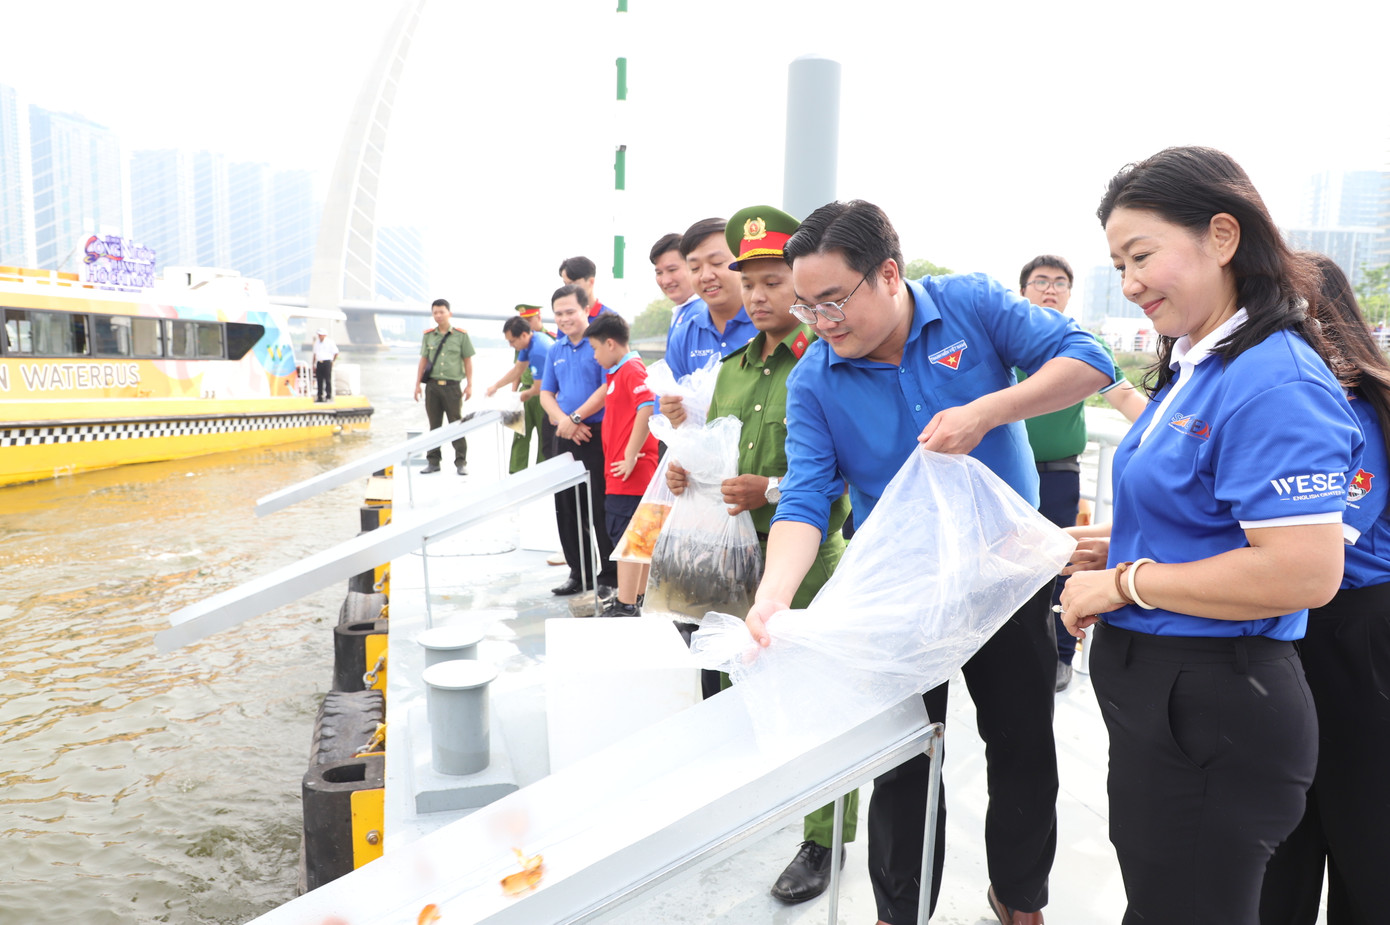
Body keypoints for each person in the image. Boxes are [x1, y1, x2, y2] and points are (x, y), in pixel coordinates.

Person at [743, 199, 1114, 925]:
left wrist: (989, 411)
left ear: (887, 273)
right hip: (906, 591)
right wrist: (774, 595)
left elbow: (1090, 361)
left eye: (832, 300)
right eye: (807, 306)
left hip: (1007, 575)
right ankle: (897, 910)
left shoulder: (969, 305)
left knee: (1022, 747)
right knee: (907, 762)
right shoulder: (815, 379)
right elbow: (807, 499)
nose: (822, 321)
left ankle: (1018, 899)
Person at [1058, 147, 1362, 925]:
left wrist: (1124, 581)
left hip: (1218, 700)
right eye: (1118, 263)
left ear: (1222, 237)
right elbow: (1206, 512)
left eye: (1142, 255)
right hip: (1168, 698)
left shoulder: (1275, 378)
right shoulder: (1201, 364)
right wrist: (1114, 544)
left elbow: (1302, 572)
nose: (1128, 283)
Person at [667, 205, 859, 904]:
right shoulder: (730, 370)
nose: (757, 296)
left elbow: (843, 476)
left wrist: (771, 486)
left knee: (817, 705)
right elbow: (718, 450)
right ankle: (757, 799)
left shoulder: (828, 362)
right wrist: (689, 470)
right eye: (749, 283)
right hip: (739, 561)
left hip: (808, 566)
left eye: (772, 281)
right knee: (750, 688)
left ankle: (824, 837)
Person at [1259, 254, 1390, 925]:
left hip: (1357, 633)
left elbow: (1322, 546)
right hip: (1298, 623)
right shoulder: (1294, 399)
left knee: (1364, 827)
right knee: (1287, 823)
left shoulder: (1358, 411)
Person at [1015, 254, 1146, 691]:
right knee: (1004, 567)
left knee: (1061, 563)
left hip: (1057, 475)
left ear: (1070, 293)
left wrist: (1180, 441)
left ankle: (1061, 657)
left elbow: (1131, 404)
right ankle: (1000, 656)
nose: (1049, 289)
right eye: (1039, 282)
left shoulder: (1086, 346)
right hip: (1006, 479)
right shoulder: (1003, 343)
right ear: (1022, 291)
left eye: (1058, 282)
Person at [539, 284, 616, 598]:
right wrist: (564, 422)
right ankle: (579, 573)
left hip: (596, 435)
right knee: (567, 508)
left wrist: (576, 419)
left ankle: (609, 576)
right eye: (558, 313)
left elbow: (606, 389)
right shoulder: (555, 349)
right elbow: (546, 393)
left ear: (586, 310)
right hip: (565, 434)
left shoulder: (598, 344)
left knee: (600, 506)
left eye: (570, 311)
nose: (564, 318)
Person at [583, 311, 659, 619]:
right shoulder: (619, 373)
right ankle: (635, 599)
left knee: (628, 537)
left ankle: (626, 604)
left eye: (595, 349)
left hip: (630, 476)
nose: (595, 355)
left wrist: (630, 455)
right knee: (637, 537)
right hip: (623, 475)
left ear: (610, 344)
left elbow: (647, 406)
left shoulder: (632, 370)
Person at [661, 217, 756, 381]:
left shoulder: (769, 326)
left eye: (717, 263)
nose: (705, 276)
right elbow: (667, 398)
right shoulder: (684, 338)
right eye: (695, 268)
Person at [486, 313, 556, 473]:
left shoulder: (538, 349)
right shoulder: (528, 343)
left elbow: (539, 388)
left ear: (523, 334)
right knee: (519, 433)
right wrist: (496, 386)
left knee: (544, 437)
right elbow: (518, 369)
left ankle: (542, 473)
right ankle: (516, 473)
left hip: (548, 395)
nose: (511, 345)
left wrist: (522, 396)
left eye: (512, 341)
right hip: (529, 391)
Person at [413, 298, 475, 476]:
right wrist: (417, 385)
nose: (438, 315)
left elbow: (468, 361)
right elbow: (423, 361)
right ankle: (433, 462)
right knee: (434, 425)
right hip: (432, 387)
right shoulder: (428, 336)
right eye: (435, 312)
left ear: (449, 313)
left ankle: (461, 462)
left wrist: (470, 385)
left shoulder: (461, 336)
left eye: (441, 312)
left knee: (456, 424)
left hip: (452, 387)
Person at [649, 232, 703, 332]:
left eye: (672, 270)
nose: (666, 281)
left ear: (693, 266)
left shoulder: (701, 315)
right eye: (659, 273)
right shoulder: (682, 312)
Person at [558, 256, 617, 321]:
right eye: (566, 284)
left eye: (573, 284)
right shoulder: (565, 319)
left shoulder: (610, 319)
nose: (568, 289)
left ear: (591, 282)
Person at [311, 328, 339, 402]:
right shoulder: (317, 342)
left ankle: (328, 396)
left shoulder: (330, 342)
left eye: (321, 334)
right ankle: (320, 396)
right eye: (319, 335)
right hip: (319, 362)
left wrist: (333, 361)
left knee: (327, 380)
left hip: (327, 362)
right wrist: (313, 364)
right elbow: (315, 354)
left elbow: (336, 352)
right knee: (319, 380)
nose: (319, 336)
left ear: (324, 335)